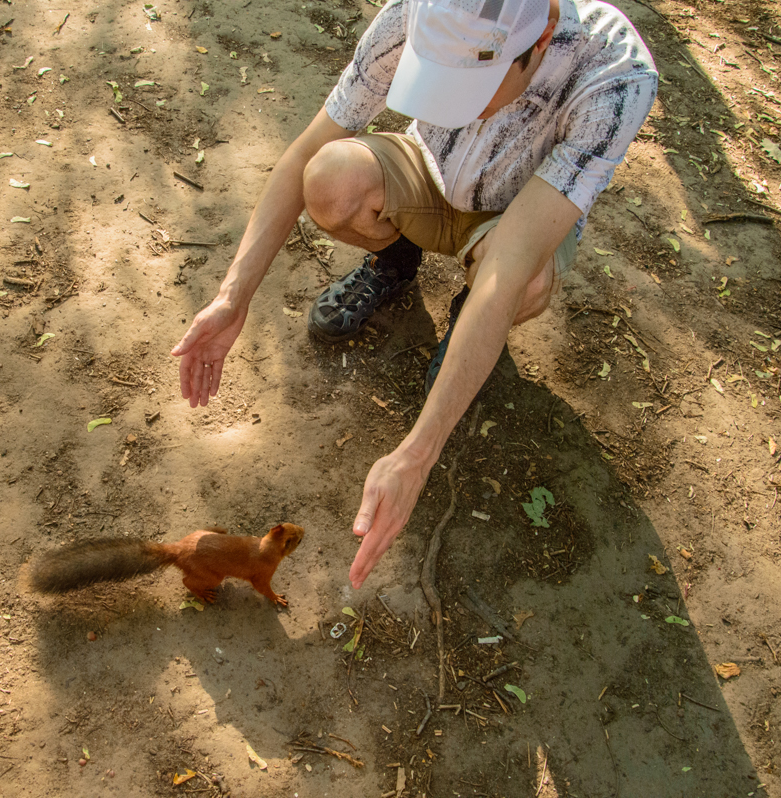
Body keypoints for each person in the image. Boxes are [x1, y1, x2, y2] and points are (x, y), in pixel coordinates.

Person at [171, 0, 657, 588]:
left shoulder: (613, 73)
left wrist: (416, 453)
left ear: (544, 32)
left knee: (518, 284)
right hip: (430, 174)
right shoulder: (415, 13)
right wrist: (234, 295)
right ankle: (397, 260)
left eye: (475, 81)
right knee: (328, 178)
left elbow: (508, 265)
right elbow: (305, 150)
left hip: (512, 221)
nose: (461, 108)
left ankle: (471, 325)